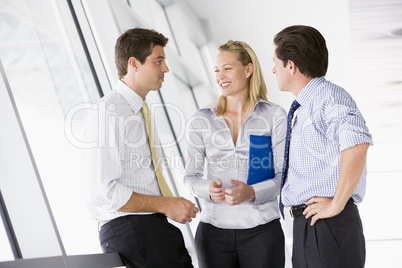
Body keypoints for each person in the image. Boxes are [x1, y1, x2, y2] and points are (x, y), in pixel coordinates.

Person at [84, 27, 199, 268]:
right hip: (133, 230)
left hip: (152, 229)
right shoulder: (110, 111)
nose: (166, 69)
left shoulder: (136, 110)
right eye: (158, 61)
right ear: (134, 64)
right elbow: (104, 191)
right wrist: (166, 204)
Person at [273, 25, 373, 268]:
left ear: (291, 65)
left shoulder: (328, 98)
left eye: (275, 62)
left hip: (328, 225)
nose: (273, 69)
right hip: (312, 225)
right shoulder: (306, 105)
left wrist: (336, 203)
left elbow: (358, 142)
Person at [184, 40, 286, 268]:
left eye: (227, 68)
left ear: (248, 69)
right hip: (213, 232)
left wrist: (251, 191)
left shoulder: (274, 116)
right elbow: (190, 177)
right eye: (217, 70)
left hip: (262, 230)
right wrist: (207, 190)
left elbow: (283, 176)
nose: (220, 76)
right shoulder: (201, 119)